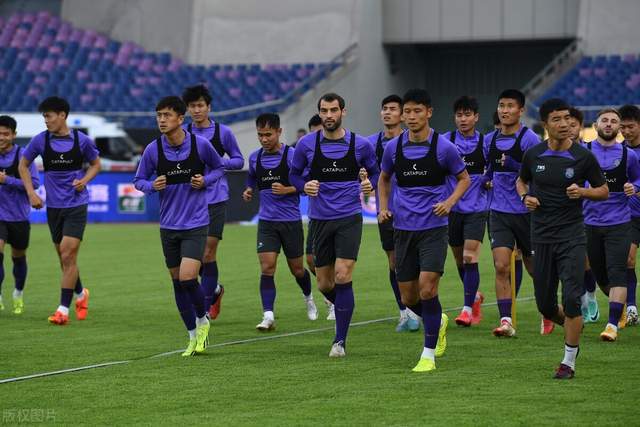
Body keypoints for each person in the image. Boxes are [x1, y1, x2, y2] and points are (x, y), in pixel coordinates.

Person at [378, 88, 470, 372]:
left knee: (428, 289)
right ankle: (437, 320)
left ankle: (428, 355)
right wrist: (383, 207)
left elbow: (464, 179)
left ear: (429, 112)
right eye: (407, 111)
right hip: (403, 229)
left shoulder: (444, 147)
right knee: (408, 298)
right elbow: (384, 178)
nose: (411, 116)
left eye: (417, 111)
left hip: (433, 229)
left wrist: (449, 203)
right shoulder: (393, 148)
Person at [516, 98, 608, 379]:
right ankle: (573, 326)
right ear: (546, 124)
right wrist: (525, 197)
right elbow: (521, 180)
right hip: (541, 236)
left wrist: (583, 192)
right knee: (545, 305)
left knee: (571, 298)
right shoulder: (534, 155)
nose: (565, 123)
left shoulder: (583, 157)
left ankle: (568, 360)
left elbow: (603, 190)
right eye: (557, 119)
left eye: (567, 118)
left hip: (572, 236)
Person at [289, 93, 379, 357]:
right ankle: (345, 307)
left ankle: (339, 341)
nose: (329, 115)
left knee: (342, 274)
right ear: (319, 113)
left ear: (343, 112)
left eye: (333, 110)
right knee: (325, 284)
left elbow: (376, 172)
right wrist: (303, 186)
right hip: (320, 219)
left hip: (349, 217)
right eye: (324, 110)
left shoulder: (360, 145)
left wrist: (369, 184)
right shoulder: (306, 145)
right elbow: (294, 175)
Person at [134, 96, 225, 356]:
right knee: (177, 282)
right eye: (159, 115)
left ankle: (203, 319)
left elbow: (219, 168)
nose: (162, 120)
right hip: (168, 226)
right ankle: (192, 335)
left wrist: (205, 181)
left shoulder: (200, 145)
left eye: (167, 115)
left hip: (196, 223)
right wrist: (152, 186)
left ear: (180, 118)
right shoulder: (153, 150)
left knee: (187, 278)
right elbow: (139, 180)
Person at [19, 97, 100, 325]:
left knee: (67, 255)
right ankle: (81, 294)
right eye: (44, 116)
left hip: (76, 205)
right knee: (64, 259)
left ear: (62, 115)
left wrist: (84, 180)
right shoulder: (41, 140)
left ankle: (62, 310)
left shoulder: (82, 140)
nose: (46, 120)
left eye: (49, 116)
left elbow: (96, 164)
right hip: (54, 208)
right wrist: (31, 193)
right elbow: (23, 165)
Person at [242, 113, 317, 330]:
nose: (264, 139)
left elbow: (307, 184)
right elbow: (252, 178)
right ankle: (268, 316)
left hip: (290, 222)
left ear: (279, 132)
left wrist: (288, 189)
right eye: (260, 135)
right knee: (267, 268)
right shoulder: (255, 158)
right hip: (267, 223)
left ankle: (309, 297)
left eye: (268, 134)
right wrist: (249, 189)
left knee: (297, 270)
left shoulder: (293, 156)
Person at [182, 84, 244, 320]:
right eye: (192, 106)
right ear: (187, 109)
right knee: (190, 259)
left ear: (209, 107)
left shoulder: (222, 133)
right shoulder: (183, 133)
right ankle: (215, 290)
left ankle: (205, 308)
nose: (197, 110)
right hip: (189, 201)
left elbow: (238, 160)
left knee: (208, 253)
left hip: (215, 199)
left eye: (200, 105)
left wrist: (218, 162)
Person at [485, 89, 542, 337]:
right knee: (501, 266)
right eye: (501, 105)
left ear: (521, 110)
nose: (504, 110)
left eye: (510, 106)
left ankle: (547, 310)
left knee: (534, 269)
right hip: (498, 211)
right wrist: (486, 178)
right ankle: (506, 321)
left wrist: (516, 166)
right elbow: (490, 167)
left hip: (526, 212)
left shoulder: (530, 140)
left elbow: (540, 174)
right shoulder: (489, 140)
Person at [583, 108, 640, 341]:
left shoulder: (629, 155)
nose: (609, 124)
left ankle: (612, 325)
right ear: (595, 125)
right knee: (600, 275)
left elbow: (637, 177)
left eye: (614, 121)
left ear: (619, 128)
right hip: (590, 222)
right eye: (604, 120)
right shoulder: (583, 151)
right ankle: (621, 305)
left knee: (619, 270)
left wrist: (634, 187)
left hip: (619, 222)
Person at [367, 94, 419, 332]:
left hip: (413, 210)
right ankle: (405, 312)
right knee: (394, 262)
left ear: (403, 115)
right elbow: (367, 172)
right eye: (384, 108)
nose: (387, 112)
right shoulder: (370, 144)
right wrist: (364, 181)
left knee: (417, 262)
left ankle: (420, 307)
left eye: (393, 109)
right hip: (386, 211)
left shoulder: (414, 141)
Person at [443, 96, 489, 326]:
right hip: (451, 209)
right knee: (460, 261)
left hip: (477, 208)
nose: (463, 119)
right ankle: (475, 296)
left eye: (467, 114)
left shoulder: (486, 143)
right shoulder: (445, 141)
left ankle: (467, 309)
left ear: (476, 117)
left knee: (470, 257)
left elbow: (494, 170)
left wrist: (488, 180)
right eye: (459, 115)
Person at [0, 115, 39, 314]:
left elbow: (35, 184)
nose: (1, 137)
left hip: (19, 216)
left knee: (18, 256)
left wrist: (6, 180)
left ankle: (18, 292)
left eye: (5, 134)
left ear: (14, 135)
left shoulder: (23, 156)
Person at [304, 113, 334, 320]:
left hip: (338, 215)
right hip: (316, 215)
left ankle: (334, 302)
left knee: (337, 264)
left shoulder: (336, 151)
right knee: (310, 260)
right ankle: (331, 290)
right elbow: (296, 176)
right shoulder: (306, 152)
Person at [620, 104, 640, 325]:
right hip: (630, 215)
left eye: (631, 126)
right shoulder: (619, 152)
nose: (626, 131)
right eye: (623, 127)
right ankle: (632, 308)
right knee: (628, 260)